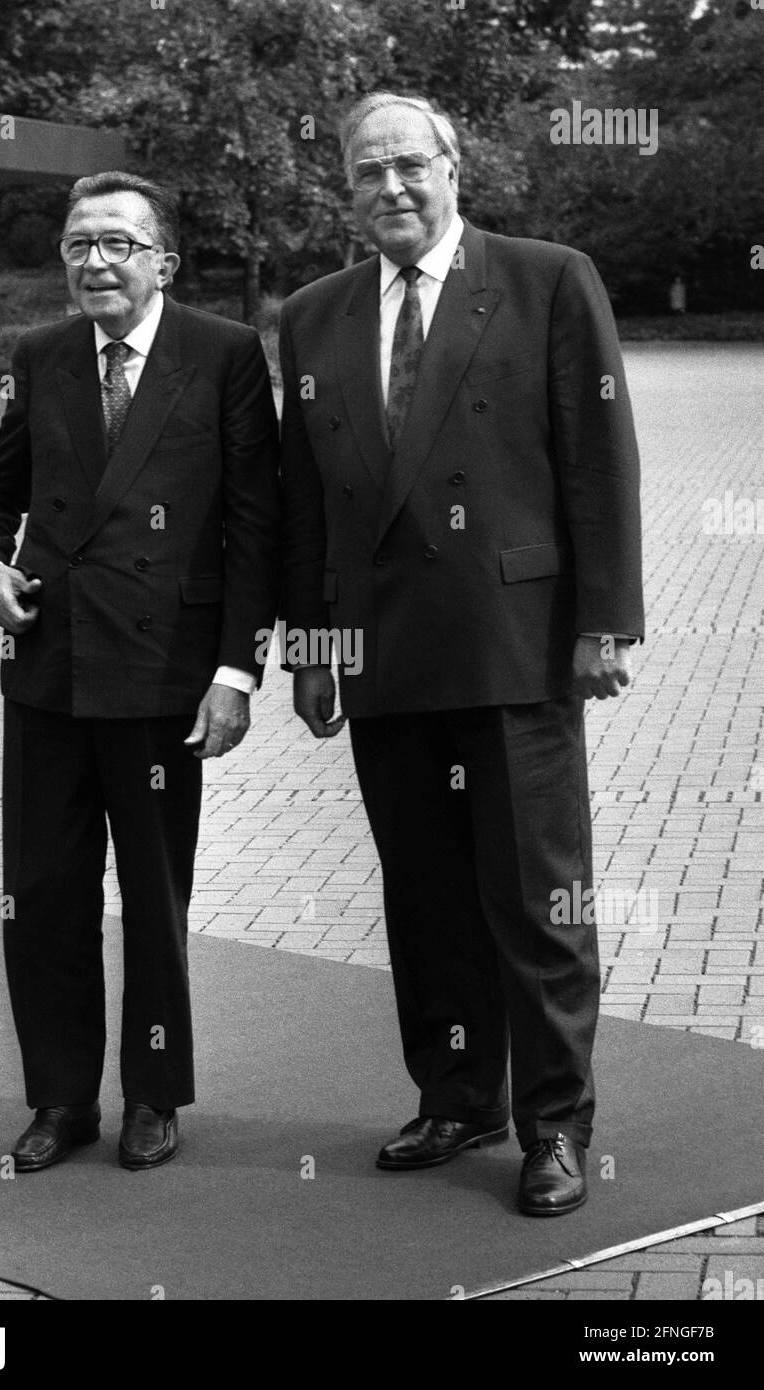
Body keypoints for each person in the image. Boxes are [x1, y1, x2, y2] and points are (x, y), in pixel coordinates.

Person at [279, 93, 643, 1216]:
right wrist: (311, 644)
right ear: (342, 190)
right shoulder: (314, 313)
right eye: (363, 173)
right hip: (383, 657)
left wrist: (603, 620)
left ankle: (553, 1124)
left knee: (537, 898)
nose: (388, 187)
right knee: (425, 897)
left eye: (407, 166)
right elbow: (307, 499)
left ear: (453, 167)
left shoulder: (546, 277)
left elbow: (598, 456)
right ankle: (456, 1095)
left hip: (513, 646)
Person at [0, 171, 279, 1172]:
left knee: (153, 895)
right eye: (77, 245)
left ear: (163, 262)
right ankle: (60, 1099)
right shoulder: (42, 355)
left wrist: (235, 669)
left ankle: (152, 1095)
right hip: (49, 670)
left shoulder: (222, 355)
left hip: (160, 675)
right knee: (44, 894)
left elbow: (253, 524)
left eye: (118, 245)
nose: (95, 262)